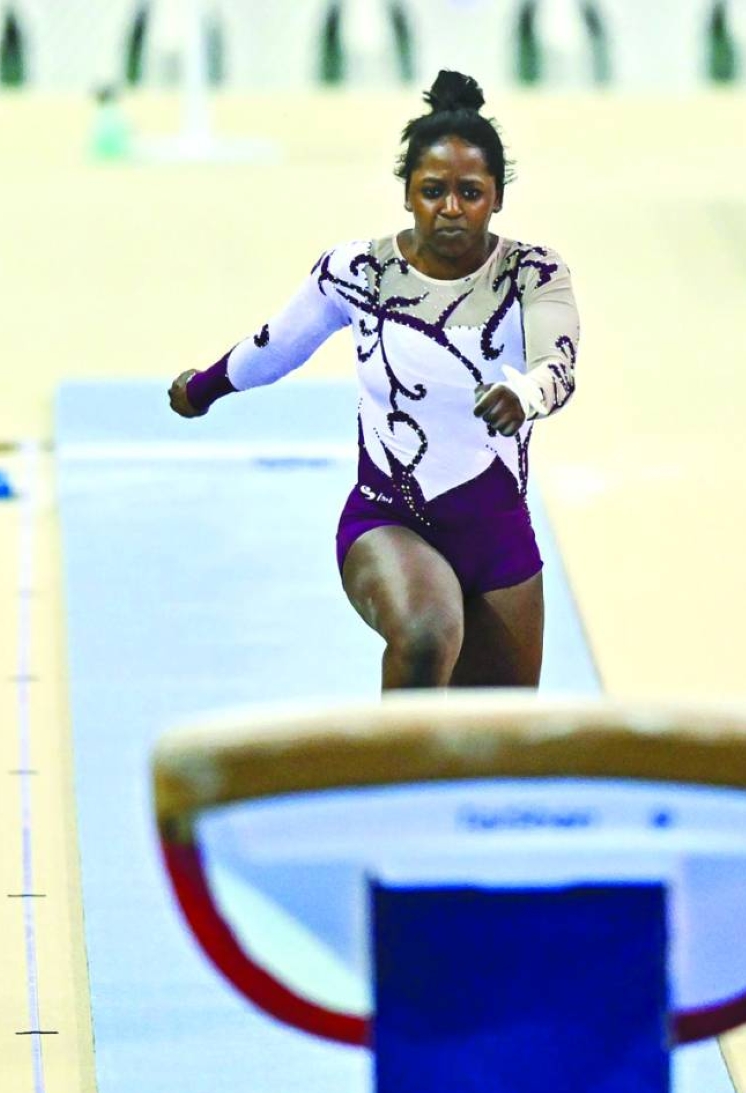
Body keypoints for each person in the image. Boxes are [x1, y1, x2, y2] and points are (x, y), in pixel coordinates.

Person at [169, 69, 579, 692]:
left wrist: (522, 393)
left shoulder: (533, 274)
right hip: (391, 519)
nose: (450, 208)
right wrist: (203, 388)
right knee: (424, 634)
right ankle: (388, 784)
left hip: (500, 538)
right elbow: (276, 345)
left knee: (495, 738)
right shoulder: (359, 271)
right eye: (433, 190)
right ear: (407, 193)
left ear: (497, 197)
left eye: (470, 192)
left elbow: (559, 364)